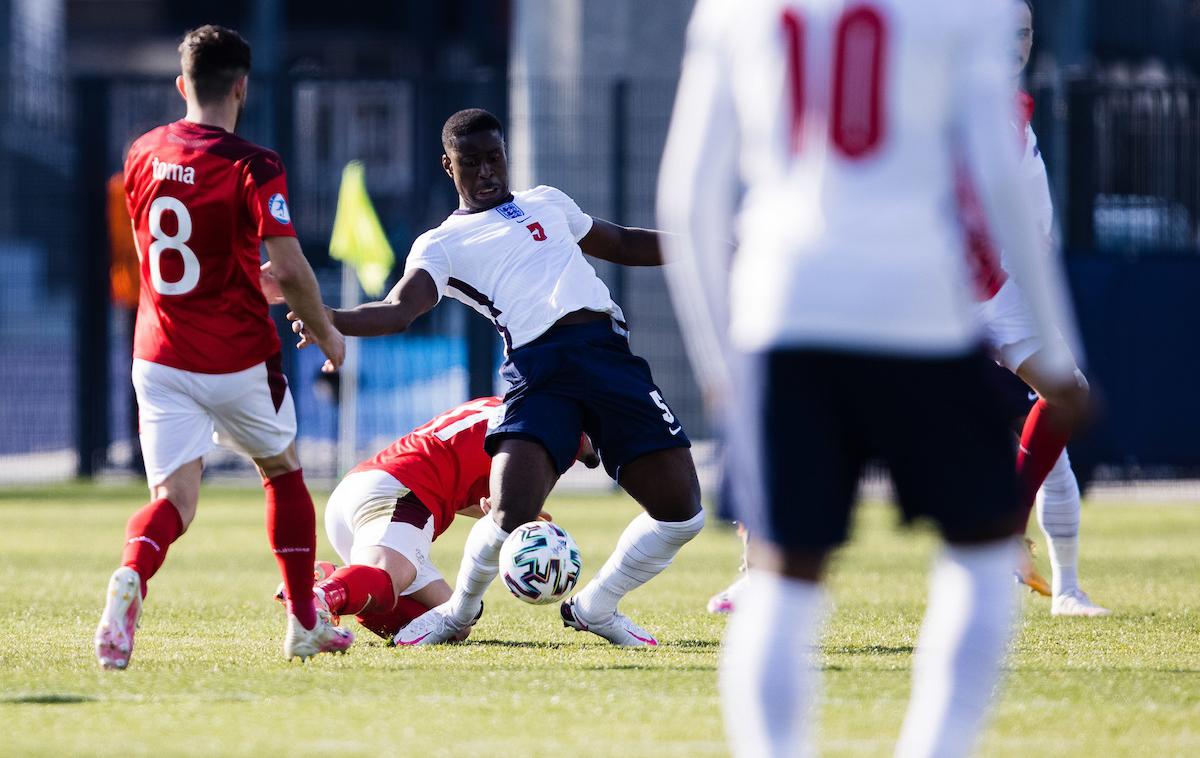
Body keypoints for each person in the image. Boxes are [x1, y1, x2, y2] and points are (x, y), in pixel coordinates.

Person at [658, 0, 1086, 755]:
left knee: (783, 577)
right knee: (985, 551)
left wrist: (719, 363)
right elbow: (1005, 182)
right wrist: (1058, 346)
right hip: (920, 305)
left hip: (785, 309)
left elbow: (689, 195)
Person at [290, 108, 705, 647]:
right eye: (472, 163)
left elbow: (622, 243)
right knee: (510, 515)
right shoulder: (441, 244)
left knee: (683, 516)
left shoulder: (549, 202)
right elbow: (398, 310)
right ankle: (458, 614)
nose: (487, 172)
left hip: (609, 359)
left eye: (494, 158)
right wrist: (330, 318)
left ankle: (597, 606)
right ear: (448, 166)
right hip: (542, 371)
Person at [94, 25, 352, 670]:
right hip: (236, 355)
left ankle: (131, 574)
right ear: (243, 86)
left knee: (173, 501)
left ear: (182, 85)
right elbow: (290, 270)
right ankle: (301, 620)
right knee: (284, 472)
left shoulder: (141, 152)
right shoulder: (253, 163)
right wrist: (327, 334)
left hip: (158, 354)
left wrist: (237, 275)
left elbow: (163, 255)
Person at [968, 0, 1106, 615]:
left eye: (1025, 32)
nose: (1017, 42)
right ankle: (764, 574)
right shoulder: (956, 95)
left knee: (1063, 396)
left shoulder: (1012, 106)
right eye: (1004, 30)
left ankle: (1065, 588)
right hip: (935, 294)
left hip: (997, 287)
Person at [277, 396, 599, 641]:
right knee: (386, 581)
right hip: (401, 493)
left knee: (457, 623)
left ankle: (333, 578)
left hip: (365, 488)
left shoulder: (508, 407)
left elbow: (467, 488)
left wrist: (503, 512)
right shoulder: (552, 432)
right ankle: (316, 598)